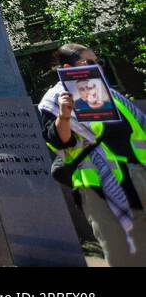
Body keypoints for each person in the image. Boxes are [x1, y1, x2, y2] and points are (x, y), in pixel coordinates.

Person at [39, 44, 146, 266]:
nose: (98, 67)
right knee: (123, 254)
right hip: (98, 186)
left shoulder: (113, 95)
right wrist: (65, 115)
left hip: (139, 177)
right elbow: (60, 141)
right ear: (67, 68)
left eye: (99, 62)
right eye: (90, 63)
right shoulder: (53, 100)